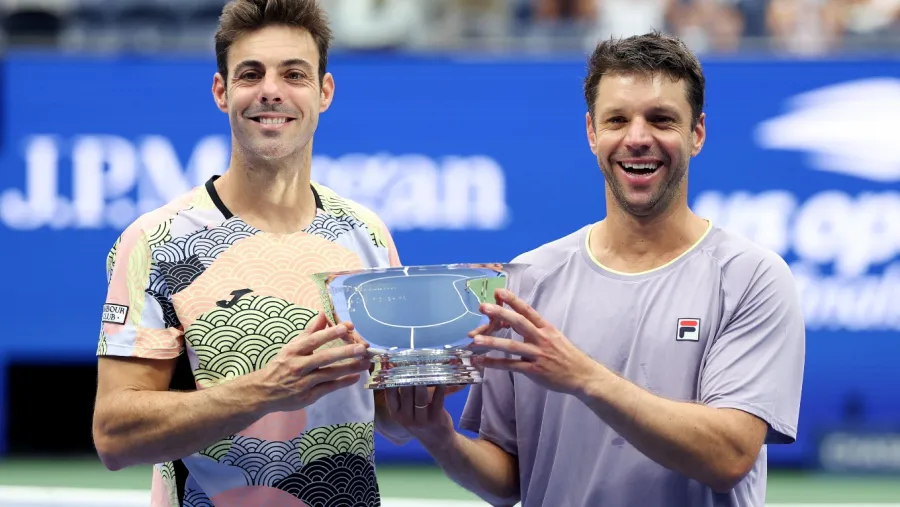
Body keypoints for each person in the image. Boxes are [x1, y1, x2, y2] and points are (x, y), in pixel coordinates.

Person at [384, 31, 806, 507]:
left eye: (661, 119)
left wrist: (584, 377)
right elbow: (508, 479)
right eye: (617, 120)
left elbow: (728, 457)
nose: (638, 138)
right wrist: (439, 436)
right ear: (591, 132)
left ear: (697, 134)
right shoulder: (529, 279)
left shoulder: (751, 277)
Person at [91, 1, 413, 506]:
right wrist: (268, 389)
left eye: (294, 74)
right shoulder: (155, 241)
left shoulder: (367, 234)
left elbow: (395, 421)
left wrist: (434, 378)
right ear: (222, 92)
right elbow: (114, 436)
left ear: (324, 92)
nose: (271, 90)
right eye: (251, 73)